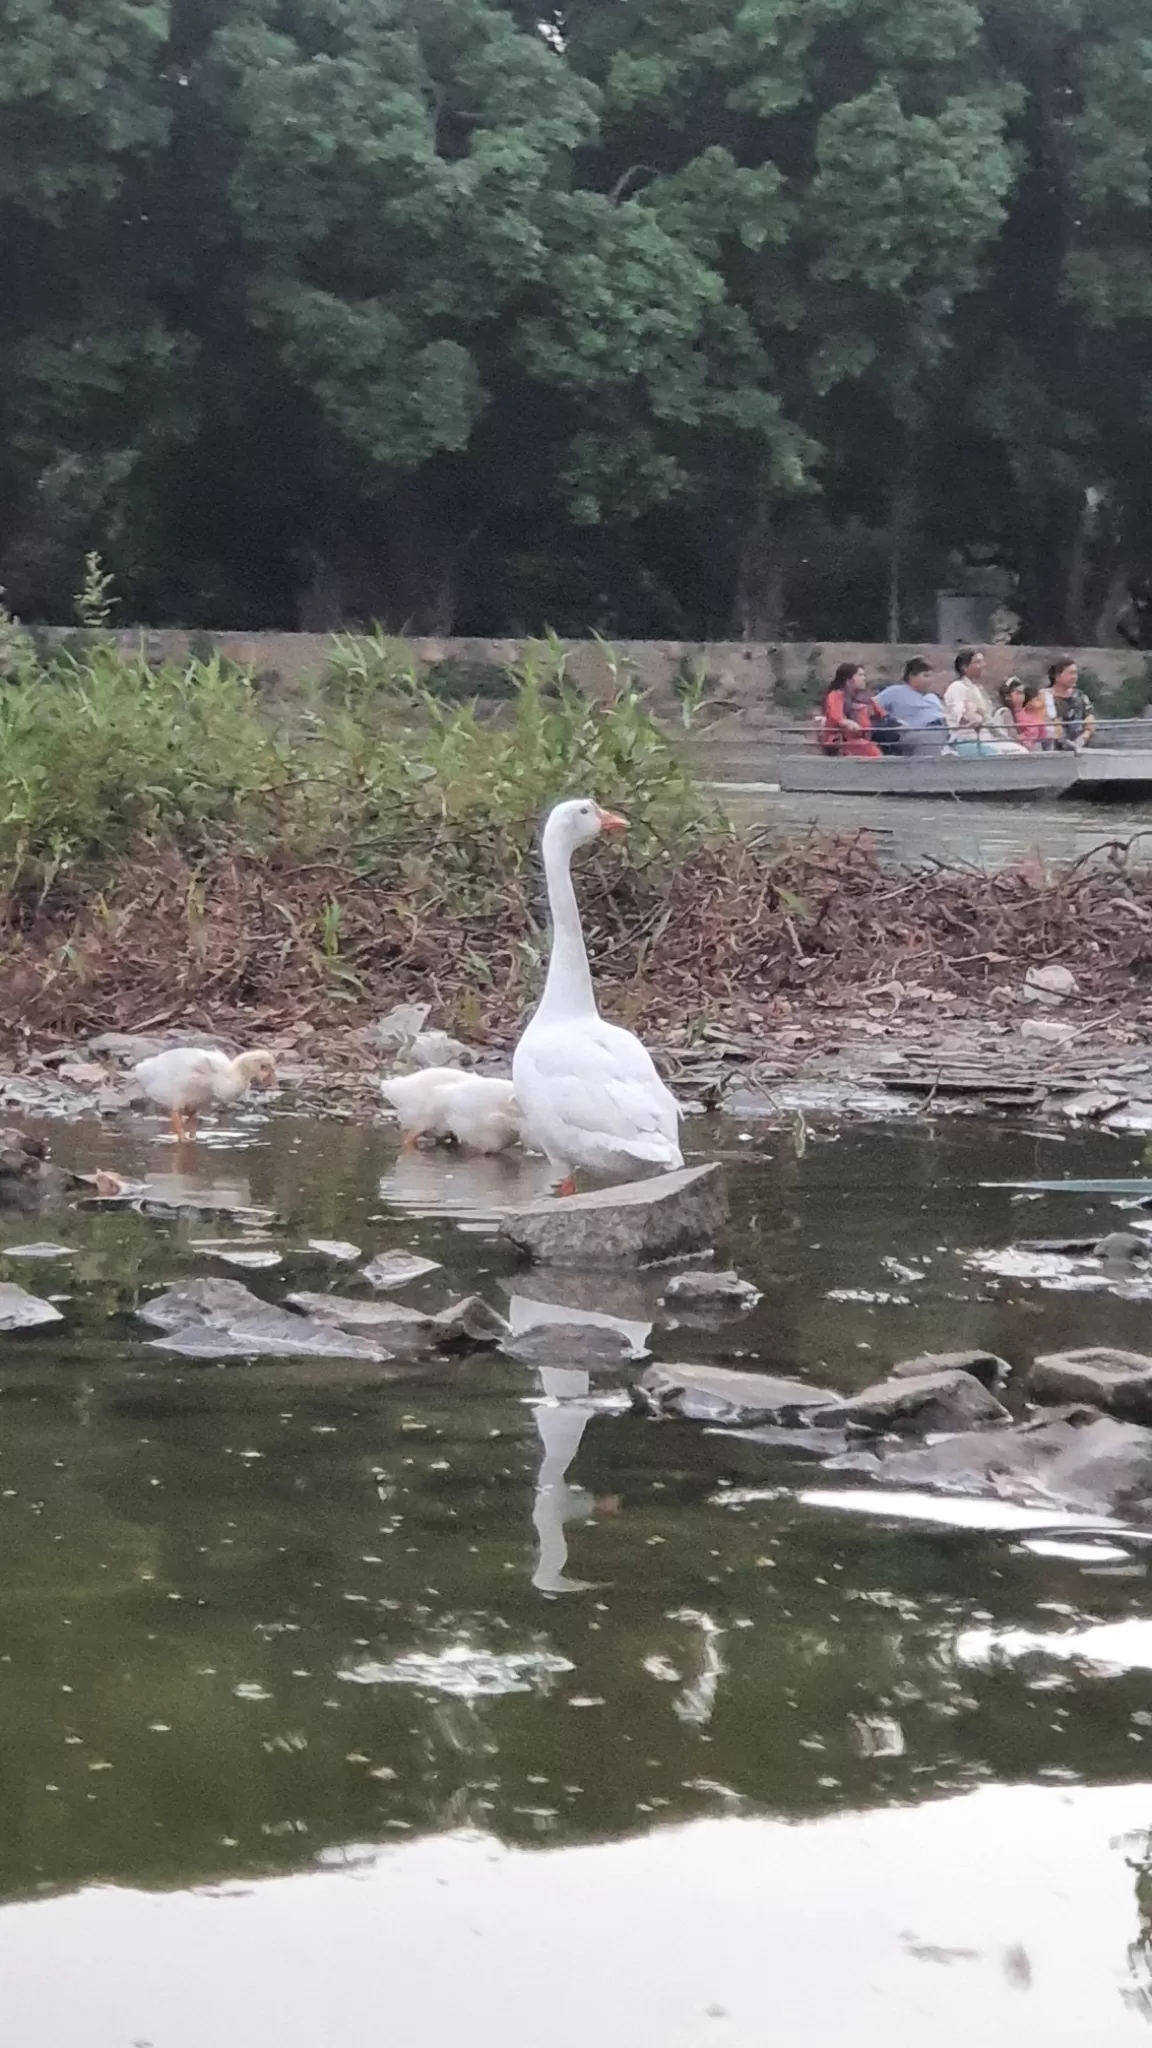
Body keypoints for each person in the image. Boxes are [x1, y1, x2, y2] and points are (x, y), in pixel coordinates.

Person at [943, 649, 1025, 756]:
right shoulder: (956, 687)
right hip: (966, 739)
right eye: (977, 662)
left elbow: (988, 720)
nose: (983, 665)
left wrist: (1004, 737)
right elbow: (959, 715)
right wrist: (974, 717)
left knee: (1019, 750)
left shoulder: (977, 688)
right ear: (964, 667)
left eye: (982, 662)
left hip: (985, 738)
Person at [874, 658, 948, 754]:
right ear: (912, 676)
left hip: (945, 729)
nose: (930, 680)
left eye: (931, 676)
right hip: (917, 732)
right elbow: (871, 706)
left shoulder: (932, 697)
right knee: (932, 739)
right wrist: (891, 721)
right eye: (926, 676)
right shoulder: (895, 692)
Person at [818, 663, 883, 757]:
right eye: (860, 675)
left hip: (869, 736)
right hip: (844, 742)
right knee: (873, 753)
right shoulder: (836, 695)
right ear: (848, 680)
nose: (864, 678)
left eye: (864, 675)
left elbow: (881, 713)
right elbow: (835, 717)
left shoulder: (866, 698)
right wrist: (847, 722)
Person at [1047, 658, 1095, 751]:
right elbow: (1050, 724)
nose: (1074, 677)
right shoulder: (1045, 697)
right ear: (1058, 676)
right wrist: (1066, 742)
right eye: (1071, 673)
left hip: (1082, 749)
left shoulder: (1081, 696)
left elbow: (1090, 718)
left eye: (1076, 673)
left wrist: (1084, 737)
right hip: (1055, 752)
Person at [1015, 680, 1050, 750]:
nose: (1041, 702)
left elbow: (1043, 735)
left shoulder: (1038, 715)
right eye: (1037, 700)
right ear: (1028, 702)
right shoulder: (1020, 715)